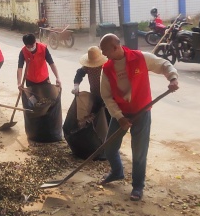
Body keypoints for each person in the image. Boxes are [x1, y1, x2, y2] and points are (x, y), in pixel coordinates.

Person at [98, 33, 179, 201]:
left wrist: (172, 78)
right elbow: (106, 96)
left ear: (115, 47)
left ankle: (137, 186)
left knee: (139, 151)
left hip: (142, 111)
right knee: (109, 147)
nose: (104, 54)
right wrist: (119, 117)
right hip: (121, 112)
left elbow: (164, 64)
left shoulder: (141, 58)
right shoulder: (107, 69)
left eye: (105, 51)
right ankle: (117, 172)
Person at [72, 46, 107, 114]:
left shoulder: (106, 66)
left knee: (106, 118)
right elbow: (79, 73)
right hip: (94, 94)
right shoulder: (88, 66)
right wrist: (76, 85)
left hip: (107, 97)